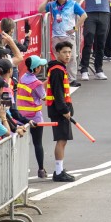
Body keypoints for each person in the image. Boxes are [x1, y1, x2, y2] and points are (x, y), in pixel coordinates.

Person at [41, 0, 86, 87]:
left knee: (71, 57)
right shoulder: (52, 5)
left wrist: (75, 28)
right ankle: (60, 78)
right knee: (58, 58)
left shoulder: (72, 4)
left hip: (68, 36)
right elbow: (40, 10)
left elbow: (84, 15)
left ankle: (72, 79)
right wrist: (47, 0)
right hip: (56, 36)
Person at [46, 40, 76, 181]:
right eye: (64, 52)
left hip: (59, 110)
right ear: (57, 53)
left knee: (62, 140)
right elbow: (58, 94)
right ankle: (58, 172)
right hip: (59, 111)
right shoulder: (57, 70)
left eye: (69, 52)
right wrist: (65, 110)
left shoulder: (59, 68)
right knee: (61, 140)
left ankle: (60, 169)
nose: (68, 55)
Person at [16, 56, 49, 177]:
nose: (41, 68)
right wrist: (48, 81)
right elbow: (44, 97)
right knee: (37, 143)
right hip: (35, 117)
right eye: (40, 66)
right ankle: (41, 169)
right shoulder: (37, 83)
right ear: (35, 68)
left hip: (21, 116)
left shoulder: (23, 77)